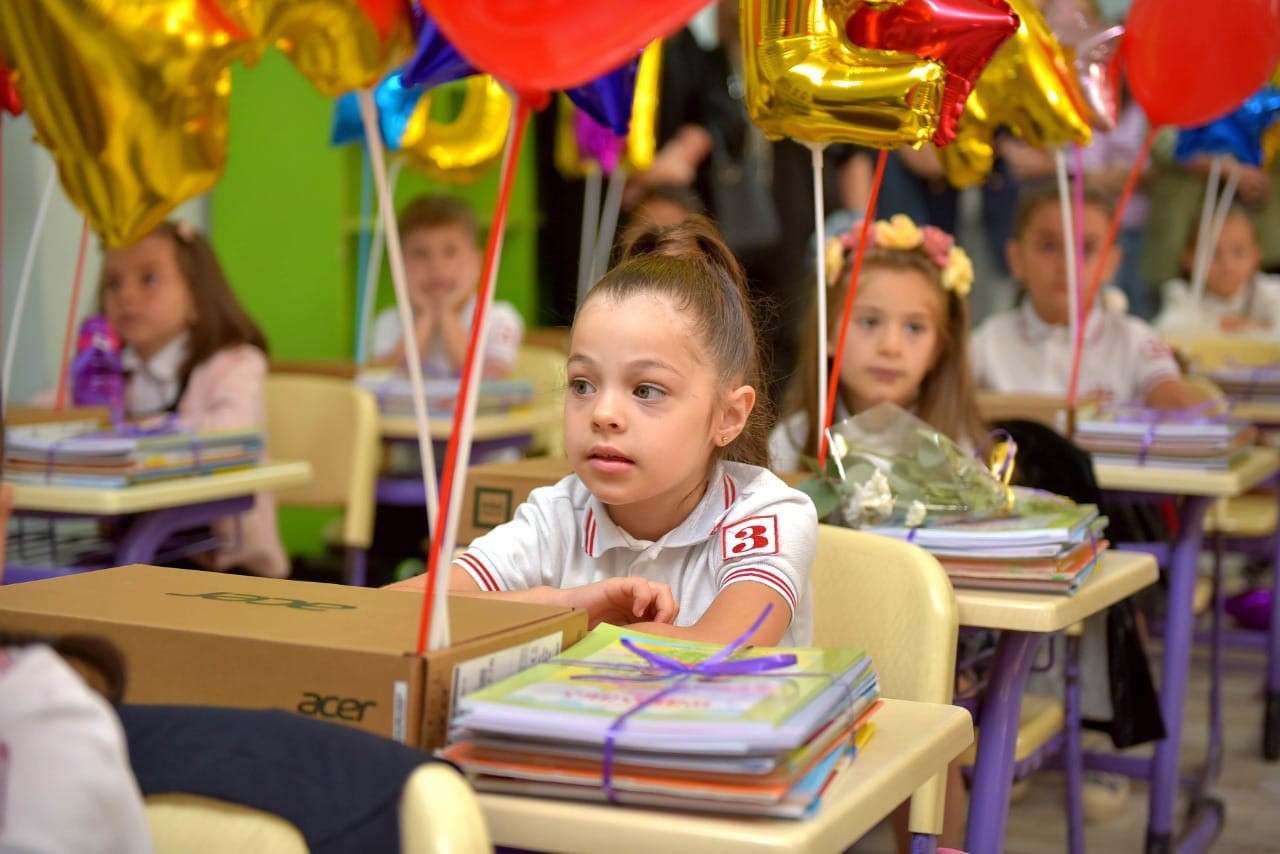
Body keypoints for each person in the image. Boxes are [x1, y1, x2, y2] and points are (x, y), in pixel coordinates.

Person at [391, 217, 817, 648]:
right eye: (583, 385)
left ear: (728, 416)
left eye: (646, 390)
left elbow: (721, 649)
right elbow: (386, 614)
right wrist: (563, 606)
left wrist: (557, 628)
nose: (603, 413)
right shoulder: (556, 515)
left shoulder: (765, 513)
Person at [100, 221, 287, 577]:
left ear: (198, 298)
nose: (126, 296)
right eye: (113, 282)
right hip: (133, 559)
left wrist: (139, 432)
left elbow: (232, 435)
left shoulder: (234, 363)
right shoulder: (108, 372)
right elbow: (57, 417)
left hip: (229, 569)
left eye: (149, 279)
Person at [771, 213, 985, 473]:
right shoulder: (790, 443)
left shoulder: (962, 453)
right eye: (870, 322)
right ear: (827, 331)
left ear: (939, 349)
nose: (891, 347)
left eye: (914, 327)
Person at [970, 183, 1205, 409]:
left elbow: (1179, 409)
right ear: (1016, 258)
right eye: (1048, 246)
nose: (1066, 265)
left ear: (1111, 262)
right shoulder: (985, 343)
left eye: (1086, 249)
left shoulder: (1136, 342)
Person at [370, 195, 523, 379]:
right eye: (420, 254)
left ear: (476, 262)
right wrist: (426, 319)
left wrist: (447, 315)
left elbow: (482, 383)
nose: (436, 266)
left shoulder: (499, 318)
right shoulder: (389, 321)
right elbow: (386, 380)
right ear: (399, 265)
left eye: (450, 252)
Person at [1153, 206, 1280, 336]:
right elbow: (1167, 333)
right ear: (1189, 258)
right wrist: (1220, 327)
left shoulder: (1270, 292)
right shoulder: (1182, 295)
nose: (1227, 264)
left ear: (1257, 255)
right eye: (1213, 253)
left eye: (1239, 252)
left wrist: (1251, 328)